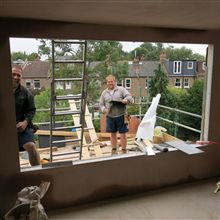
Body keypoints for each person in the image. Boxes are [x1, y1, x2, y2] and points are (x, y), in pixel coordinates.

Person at [12, 65, 40, 166]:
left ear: (21, 77)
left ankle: (37, 173)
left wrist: (25, 123)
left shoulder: (26, 93)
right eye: (13, 74)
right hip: (5, 129)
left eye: (18, 75)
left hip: (22, 128)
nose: (15, 77)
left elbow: (31, 110)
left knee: (31, 147)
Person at [100, 74, 134, 154]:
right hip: (110, 117)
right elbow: (101, 104)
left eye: (112, 81)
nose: (110, 83)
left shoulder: (121, 90)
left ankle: (124, 150)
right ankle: (114, 150)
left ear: (115, 82)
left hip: (121, 116)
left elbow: (130, 97)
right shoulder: (104, 93)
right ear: (107, 83)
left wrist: (126, 100)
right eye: (109, 82)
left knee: (122, 134)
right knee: (112, 134)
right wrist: (104, 109)